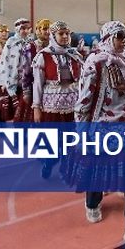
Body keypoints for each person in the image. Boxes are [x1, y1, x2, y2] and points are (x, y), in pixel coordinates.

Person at [71, 21, 125, 249]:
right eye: (119, 36)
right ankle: (92, 202)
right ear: (107, 37)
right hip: (104, 129)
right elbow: (84, 100)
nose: (123, 40)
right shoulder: (95, 63)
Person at [31, 21, 83, 178]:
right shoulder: (43, 56)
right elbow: (38, 84)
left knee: (71, 139)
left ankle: (66, 168)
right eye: (61, 34)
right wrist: (36, 108)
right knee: (52, 139)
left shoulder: (76, 55)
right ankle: (49, 162)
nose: (65, 37)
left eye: (67, 33)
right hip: (51, 106)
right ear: (53, 36)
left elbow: (83, 81)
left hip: (73, 106)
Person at [0, 18, 33, 122]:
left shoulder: (31, 42)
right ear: (18, 29)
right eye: (23, 28)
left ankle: (24, 133)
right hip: (13, 81)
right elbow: (4, 61)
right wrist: (6, 81)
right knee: (14, 111)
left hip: (27, 82)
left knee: (24, 111)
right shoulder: (11, 42)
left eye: (28, 29)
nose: (25, 31)